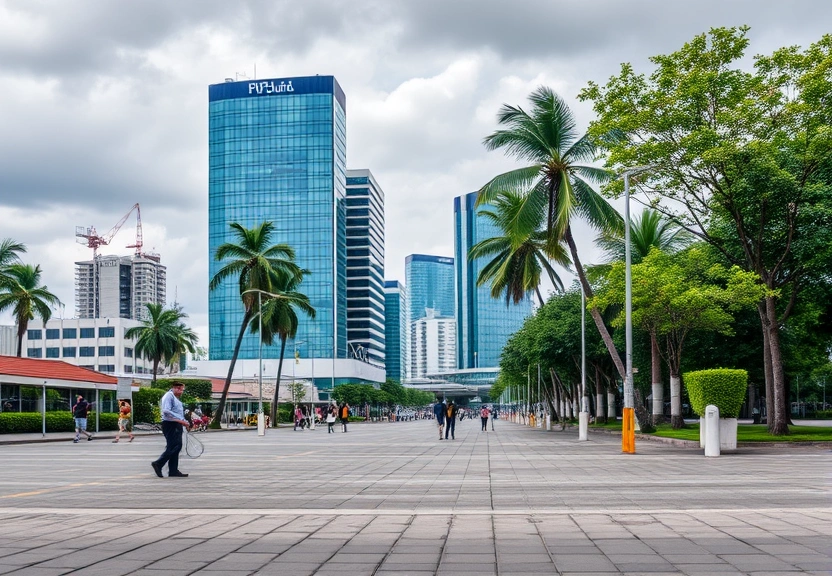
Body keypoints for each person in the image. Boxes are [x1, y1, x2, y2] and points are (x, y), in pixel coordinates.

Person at [151, 381, 191, 478]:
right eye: (181, 390)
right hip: (170, 424)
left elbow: (178, 413)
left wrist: (184, 421)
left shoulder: (175, 399)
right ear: (176, 388)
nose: (181, 392)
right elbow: (166, 411)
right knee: (175, 446)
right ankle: (159, 463)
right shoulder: (169, 396)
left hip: (176, 424)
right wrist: (181, 421)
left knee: (175, 446)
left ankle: (173, 470)